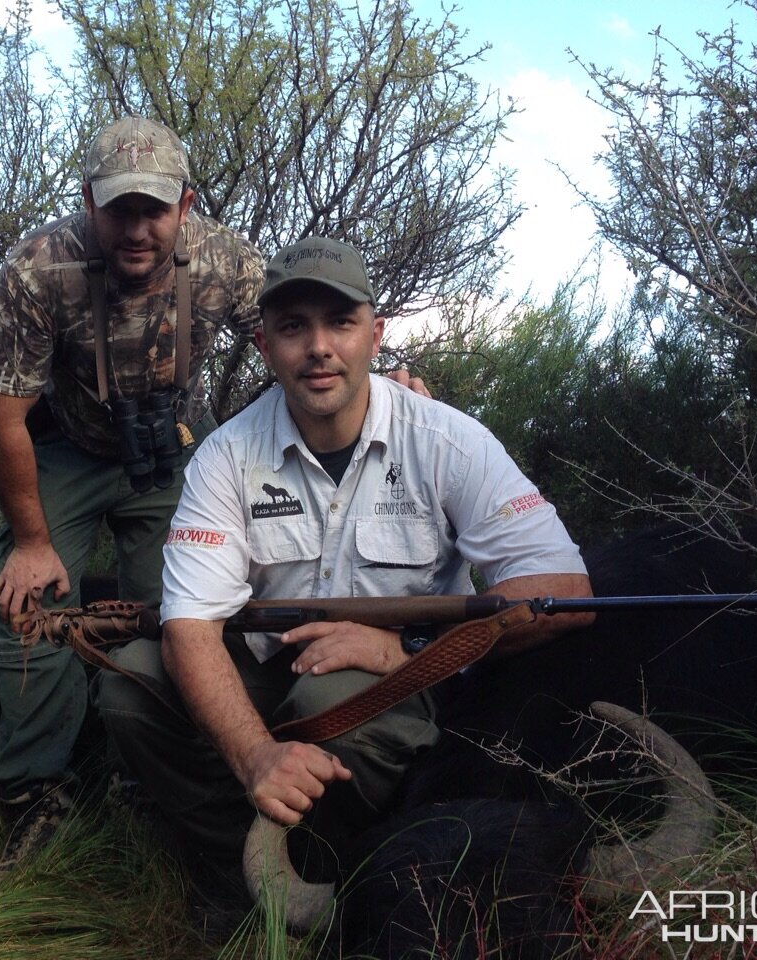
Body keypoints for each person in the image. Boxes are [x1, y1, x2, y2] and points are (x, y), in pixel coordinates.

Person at [96, 237, 595, 927]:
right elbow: (189, 626)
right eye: (294, 327)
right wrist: (255, 755)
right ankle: (232, 878)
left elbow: (564, 589)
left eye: (340, 323)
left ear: (376, 335)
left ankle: (337, 875)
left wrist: (407, 649)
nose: (319, 347)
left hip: (400, 675)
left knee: (333, 694)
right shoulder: (226, 456)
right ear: (266, 346)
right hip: (269, 662)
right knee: (129, 682)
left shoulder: (450, 440)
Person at [0, 116, 263, 892]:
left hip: (163, 453)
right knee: (27, 598)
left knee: (181, 610)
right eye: (118, 209)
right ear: (87, 202)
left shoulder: (224, 260)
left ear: (186, 206)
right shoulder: (39, 268)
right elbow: (2, 416)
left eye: (155, 210)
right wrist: (34, 543)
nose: (136, 229)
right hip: (62, 446)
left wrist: (389, 374)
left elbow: (298, 337)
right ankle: (34, 790)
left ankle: (150, 771)